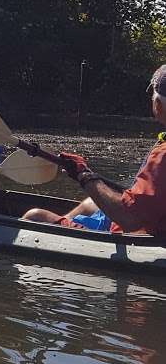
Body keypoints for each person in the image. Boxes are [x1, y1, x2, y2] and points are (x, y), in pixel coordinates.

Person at [23, 65, 166, 238]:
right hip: (152, 219)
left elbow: (130, 220)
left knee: (35, 216)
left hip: (138, 234)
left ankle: (64, 229)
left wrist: (84, 176)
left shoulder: (162, 156)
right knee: (90, 203)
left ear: (158, 104)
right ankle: (66, 224)